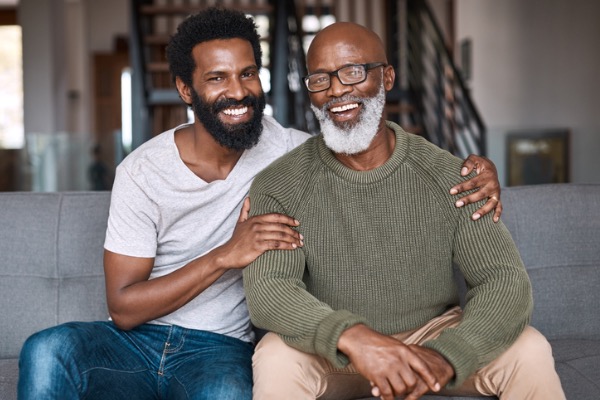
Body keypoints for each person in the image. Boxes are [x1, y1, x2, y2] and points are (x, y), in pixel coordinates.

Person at [18, 8, 501, 400]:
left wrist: (474, 169)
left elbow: (372, 145)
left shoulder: (294, 152)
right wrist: (225, 255)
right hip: (132, 343)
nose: (238, 92)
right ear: (187, 89)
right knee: (45, 350)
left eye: (248, 74)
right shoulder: (142, 172)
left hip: (221, 349)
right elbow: (123, 308)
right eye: (217, 78)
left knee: (231, 392)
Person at [243, 22, 565, 400]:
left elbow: (504, 280)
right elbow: (269, 289)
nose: (336, 90)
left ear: (388, 76)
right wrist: (353, 337)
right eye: (320, 79)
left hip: (432, 337)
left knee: (530, 349)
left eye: (353, 71)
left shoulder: (452, 175)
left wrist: (445, 356)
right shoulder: (280, 184)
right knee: (275, 357)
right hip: (337, 350)